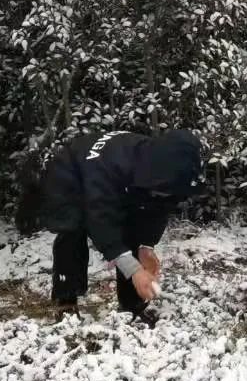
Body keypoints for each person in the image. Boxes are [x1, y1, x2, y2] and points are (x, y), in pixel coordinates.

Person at [15, 128, 204, 322]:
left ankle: (132, 305)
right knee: (72, 231)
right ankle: (66, 303)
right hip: (72, 172)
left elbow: (158, 208)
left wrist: (145, 247)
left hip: (110, 177)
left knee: (132, 233)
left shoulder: (162, 167)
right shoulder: (112, 171)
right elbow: (100, 222)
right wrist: (135, 271)